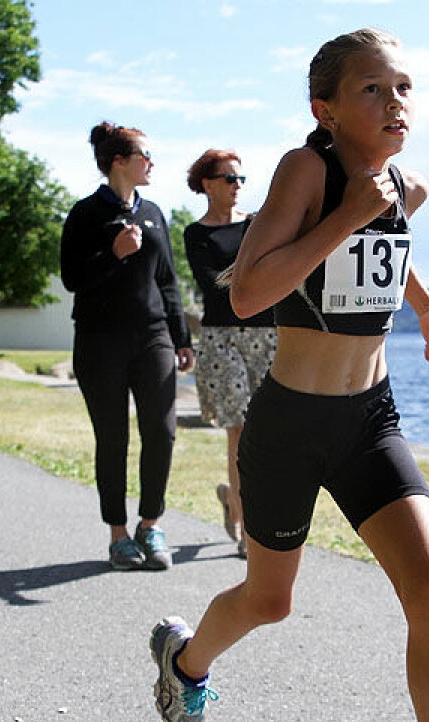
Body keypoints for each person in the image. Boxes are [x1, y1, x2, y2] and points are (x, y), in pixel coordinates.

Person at [150, 30, 429, 722]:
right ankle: (185, 666)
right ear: (325, 106)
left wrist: (423, 306)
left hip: (369, 419)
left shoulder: (406, 184)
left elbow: (388, 244)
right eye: (372, 91)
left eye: (404, 89)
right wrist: (347, 214)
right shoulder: (304, 171)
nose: (395, 105)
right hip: (289, 426)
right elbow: (247, 291)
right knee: (269, 601)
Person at [60, 121, 194, 571]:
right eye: (144, 156)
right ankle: (118, 535)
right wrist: (112, 254)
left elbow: (168, 281)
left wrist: (181, 337)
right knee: (112, 437)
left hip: (153, 336)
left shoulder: (154, 211)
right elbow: (72, 279)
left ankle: (150, 524)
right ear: (119, 161)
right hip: (100, 340)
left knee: (162, 429)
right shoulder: (84, 213)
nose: (151, 163)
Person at [183, 149, 276, 559]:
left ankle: (233, 498)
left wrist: (251, 274)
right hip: (222, 337)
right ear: (207, 184)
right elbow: (214, 284)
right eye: (229, 179)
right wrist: (257, 273)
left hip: (269, 335)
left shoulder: (258, 224)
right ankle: (248, 533)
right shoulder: (195, 234)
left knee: (267, 432)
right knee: (238, 431)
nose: (237, 186)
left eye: (241, 179)